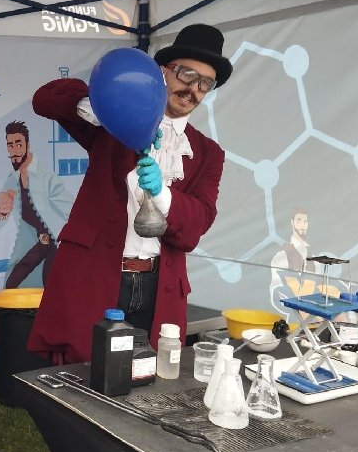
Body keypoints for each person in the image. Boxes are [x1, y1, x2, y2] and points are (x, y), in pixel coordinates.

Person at [27, 24, 232, 362]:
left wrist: (163, 194)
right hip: (95, 277)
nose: (193, 89)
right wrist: (105, 106)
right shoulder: (112, 124)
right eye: (187, 74)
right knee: (84, 371)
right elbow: (45, 100)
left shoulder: (208, 153)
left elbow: (198, 224)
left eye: (205, 83)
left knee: (151, 373)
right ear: (163, 72)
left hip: (159, 286)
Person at [0, 121, 73, 288]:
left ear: (28, 144)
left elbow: (71, 210)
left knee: (51, 287)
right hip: (35, 243)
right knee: (12, 284)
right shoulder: (12, 180)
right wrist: (0, 210)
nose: (14, 151)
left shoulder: (47, 178)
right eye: (10, 146)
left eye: (18, 144)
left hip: (56, 244)